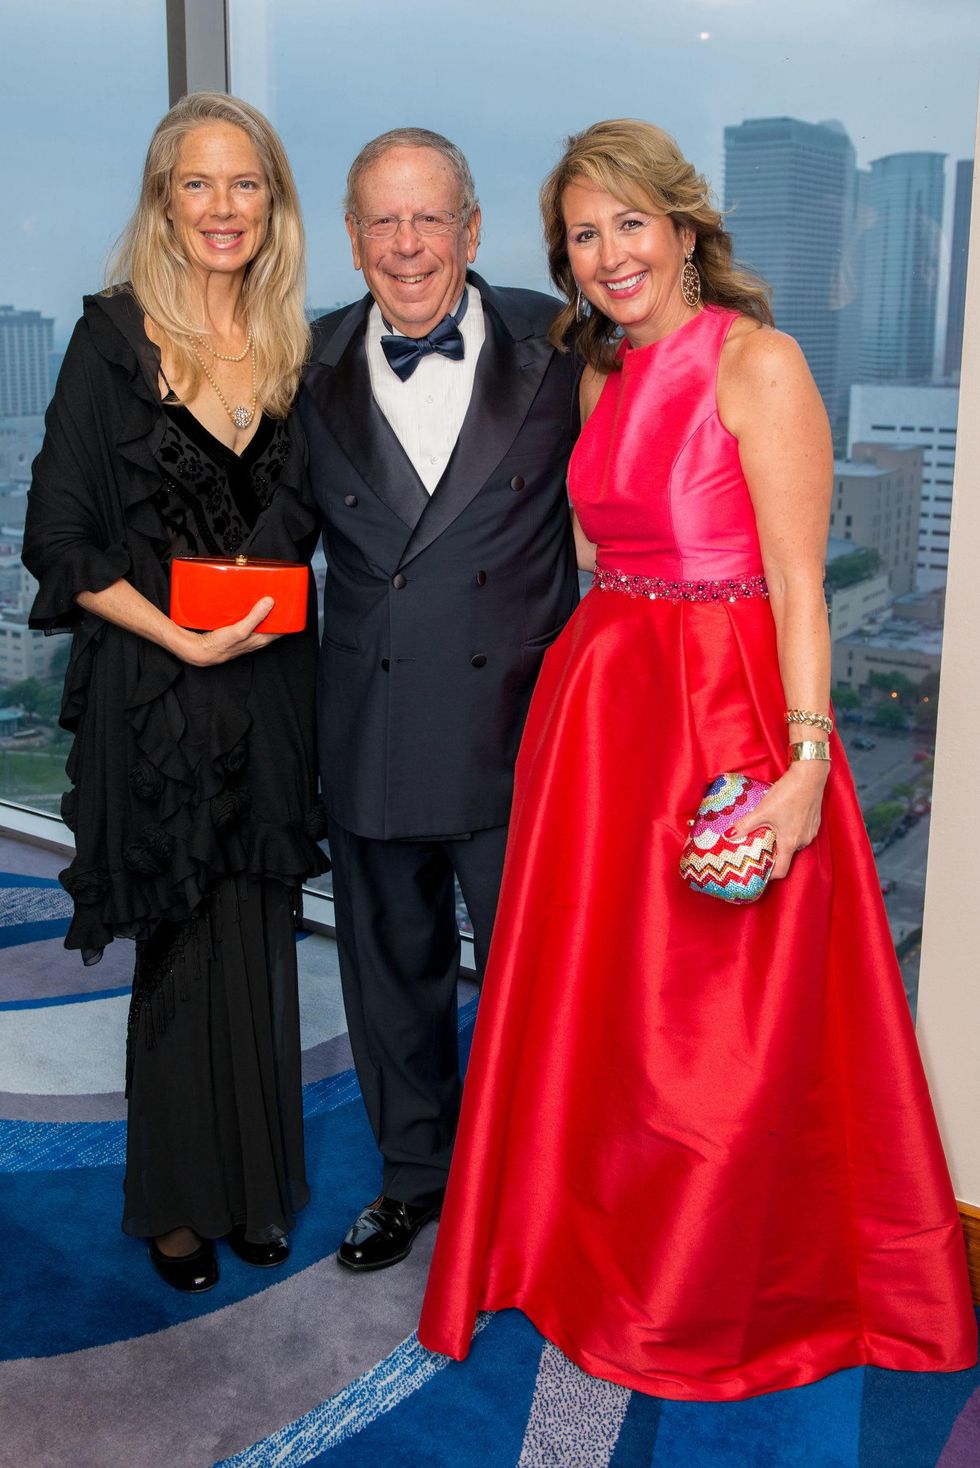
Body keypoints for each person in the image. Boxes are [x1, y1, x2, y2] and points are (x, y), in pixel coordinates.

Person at [418, 119, 977, 1396]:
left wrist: (800, 765)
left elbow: (796, 586)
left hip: (722, 716)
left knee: (718, 1029)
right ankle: (587, 1255)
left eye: (627, 223)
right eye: (582, 233)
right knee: (602, 1014)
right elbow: (582, 553)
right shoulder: (597, 374)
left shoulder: (760, 361)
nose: (609, 253)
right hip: (603, 713)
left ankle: (706, 1292)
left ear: (682, 227)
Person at [23, 93, 327, 1293]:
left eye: (243, 183)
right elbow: (57, 538)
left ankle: (255, 1186)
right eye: (195, 184)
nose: (220, 207)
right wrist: (180, 642)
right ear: (162, 200)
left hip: (272, 693)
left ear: (273, 200)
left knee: (258, 934)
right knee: (183, 946)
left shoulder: (301, 347)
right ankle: (177, 1203)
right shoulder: (110, 340)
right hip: (157, 691)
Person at [299, 128, 579, 1271]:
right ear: (353, 238)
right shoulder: (301, 362)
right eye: (383, 220)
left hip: (521, 734)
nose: (407, 244)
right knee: (389, 977)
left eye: (430, 220)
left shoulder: (560, 341)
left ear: (471, 231)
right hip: (368, 720)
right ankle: (413, 1179)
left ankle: (538, 1195)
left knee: (539, 989)